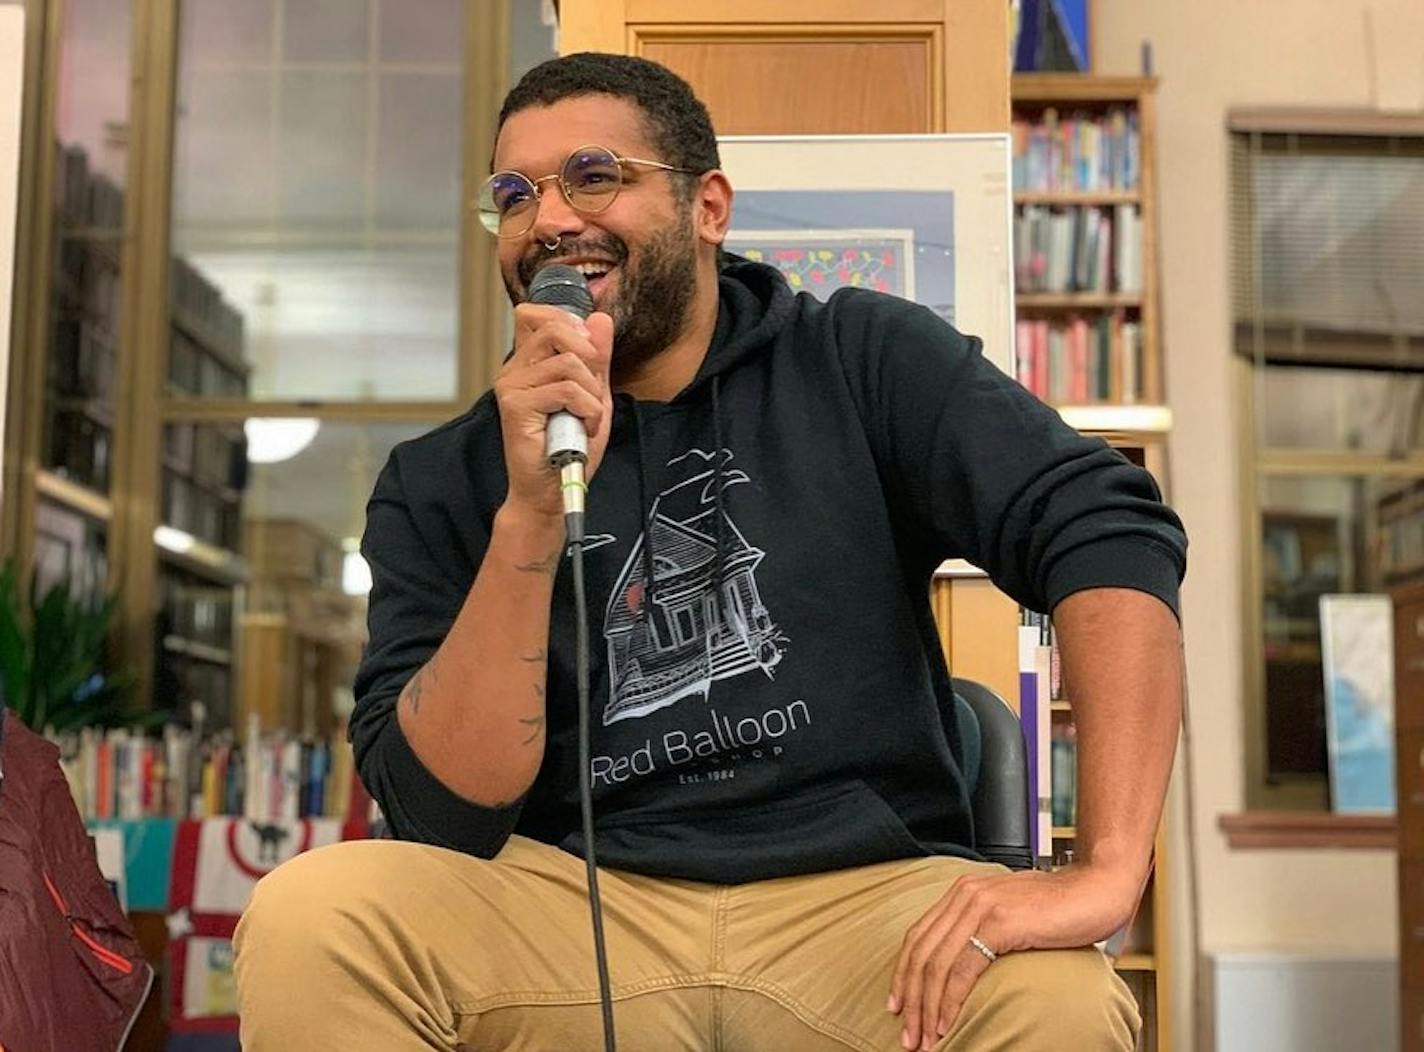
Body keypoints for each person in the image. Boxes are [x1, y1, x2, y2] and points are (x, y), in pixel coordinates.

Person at [234, 52, 1187, 1052]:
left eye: (594, 176)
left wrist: (1107, 871)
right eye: (513, 195)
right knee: (313, 917)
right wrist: (526, 514)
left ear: (708, 207)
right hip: (574, 901)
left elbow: (1104, 526)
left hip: (864, 909)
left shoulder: (859, 359)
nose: (549, 218)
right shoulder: (441, 478)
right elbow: (439, 812)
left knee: (1057, 1000)